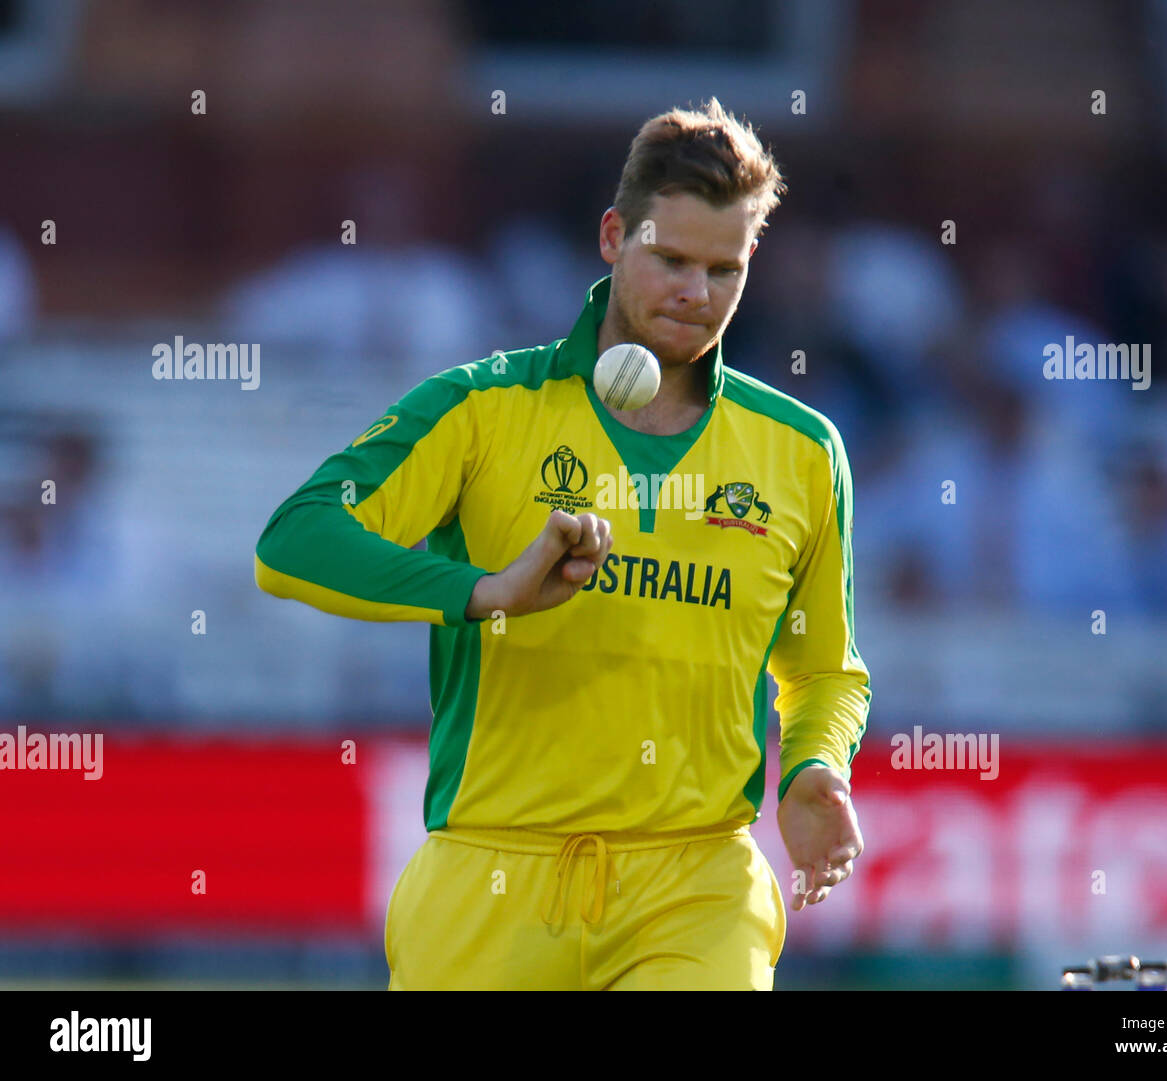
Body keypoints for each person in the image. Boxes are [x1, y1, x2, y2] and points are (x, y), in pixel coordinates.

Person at [254, 97, 871, 990]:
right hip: (490, 873)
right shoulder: (483, 409)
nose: (696, 294)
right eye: (670, 259)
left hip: (696, 882)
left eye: (724, 270)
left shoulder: (802, 451)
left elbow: (822, 670)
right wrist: (483, 590)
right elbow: (295, 541)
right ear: (615, 236)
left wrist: (816, 765)